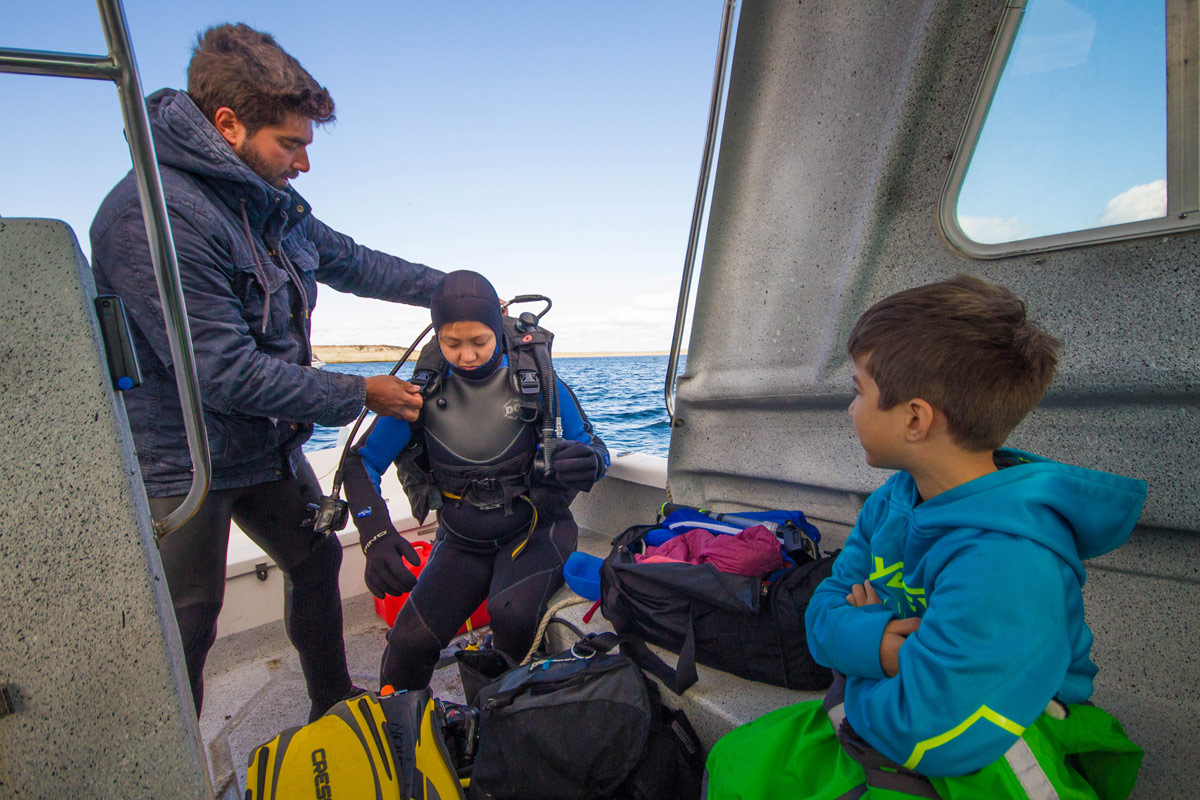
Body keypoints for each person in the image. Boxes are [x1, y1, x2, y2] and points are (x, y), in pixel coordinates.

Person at [90, 23, 446, 720]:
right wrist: (360, 391)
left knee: (314, 565)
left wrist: (457, 288)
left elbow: (359, 262)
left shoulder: (268, 206)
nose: (304, 164)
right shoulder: (149, 217)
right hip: (182, 461)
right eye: (291, 144)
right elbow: (220, 373)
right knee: (192, 621)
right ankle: (180, 770)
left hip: (264, 446)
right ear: (227, 125)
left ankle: (333, 707)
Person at [704, 275, 1147, 799]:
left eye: (858, 391)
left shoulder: (1007, 559)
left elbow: (935, 729)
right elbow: (820, 613)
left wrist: (861, 649)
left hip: (999, 742)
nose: (851, 409)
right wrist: (880, 646)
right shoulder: (894, 500)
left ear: (915, 418)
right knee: (732, 763)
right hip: (897, 708)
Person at [342, 270, 609, 691]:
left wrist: (590, 462)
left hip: (535, 531)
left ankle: (500, 726)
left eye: (479, 341)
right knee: (408, 643)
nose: (466, 355)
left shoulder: (538, 383)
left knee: (513, 616)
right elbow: (360, 464)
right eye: (452, 343)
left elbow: (593, 445)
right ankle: (407, 739)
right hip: (461, 540)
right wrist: (375, 535)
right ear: (436, 337)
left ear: (497, 332)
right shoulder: (420, 394)